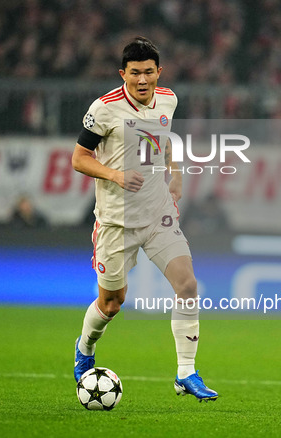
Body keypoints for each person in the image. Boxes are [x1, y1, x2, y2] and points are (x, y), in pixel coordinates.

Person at [71, 37, 218, 401]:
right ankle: (85, 347)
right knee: (112, 304)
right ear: (123, 74)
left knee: (187, 286)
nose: (142, 80)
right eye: (134, 73)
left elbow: (164, 139)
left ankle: (187, 372)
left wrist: (177, 171)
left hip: (158, 217)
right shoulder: (104, 109)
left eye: (148, 72)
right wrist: (116, 175)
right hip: (116, 223)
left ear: (158, 73)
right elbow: (79, 158)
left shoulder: (168, 99)